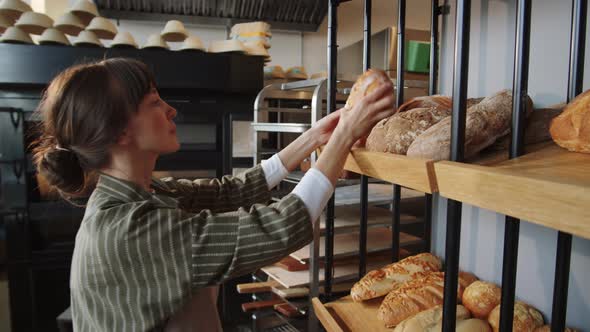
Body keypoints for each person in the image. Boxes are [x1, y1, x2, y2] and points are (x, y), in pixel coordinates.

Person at [33, 58, 394, 331]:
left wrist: (314, 138)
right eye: (155, 102)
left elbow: (230, 192)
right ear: (120, 131)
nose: (171, 109)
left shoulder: (142, 194)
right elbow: (278, 228)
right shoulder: (128, 228)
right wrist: (345, 135)